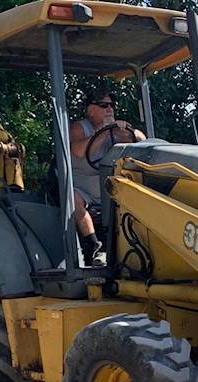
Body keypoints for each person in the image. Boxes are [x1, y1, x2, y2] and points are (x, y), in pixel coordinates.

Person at [69, 85, 145, 263]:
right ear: (91, 110)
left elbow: (143, 140)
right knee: (72, 198)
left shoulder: (117, 129)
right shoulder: (79, 129)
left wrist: (129, 132)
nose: (110, 109)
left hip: (109, 189)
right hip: (82, 188)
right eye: (104, 105)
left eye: (112, 105)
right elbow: (79, 152)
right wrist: (103, 133)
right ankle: (92, 245)